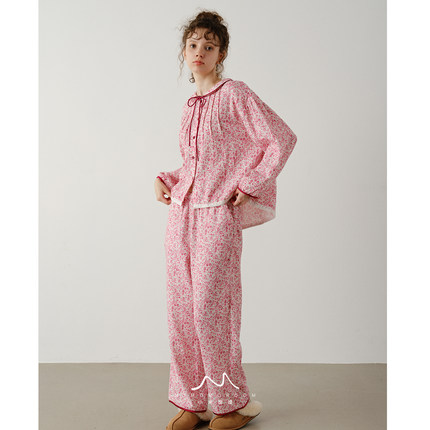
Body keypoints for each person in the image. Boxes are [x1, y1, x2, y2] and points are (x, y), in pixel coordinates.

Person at [154, 10, 297, 430]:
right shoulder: (190, 107)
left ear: (221, 54)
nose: (199, 51)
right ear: (184, 52)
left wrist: (251, 182)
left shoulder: (235, 93)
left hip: (217, 214)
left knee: (210, 309)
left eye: (209, 45)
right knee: (182, 311)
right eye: (193, 44)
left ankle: (230, 403)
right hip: (182, 215)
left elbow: (280, 137)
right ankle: (194, 402)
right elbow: (196, 166)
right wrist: (166, 179)